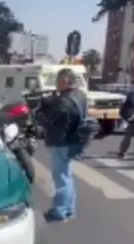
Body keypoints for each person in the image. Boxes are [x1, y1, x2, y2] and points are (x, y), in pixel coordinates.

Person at [39, 69, 88, 222]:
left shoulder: (64, 101)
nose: (56, 85)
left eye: (58, 81)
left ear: (65, 81)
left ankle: (59, 211)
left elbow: (48, 120)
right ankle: (69, 210)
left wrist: (44, 109)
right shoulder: (81, 96)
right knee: (67, 177)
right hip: (74, 141)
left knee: (61, 178)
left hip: (61, 142)